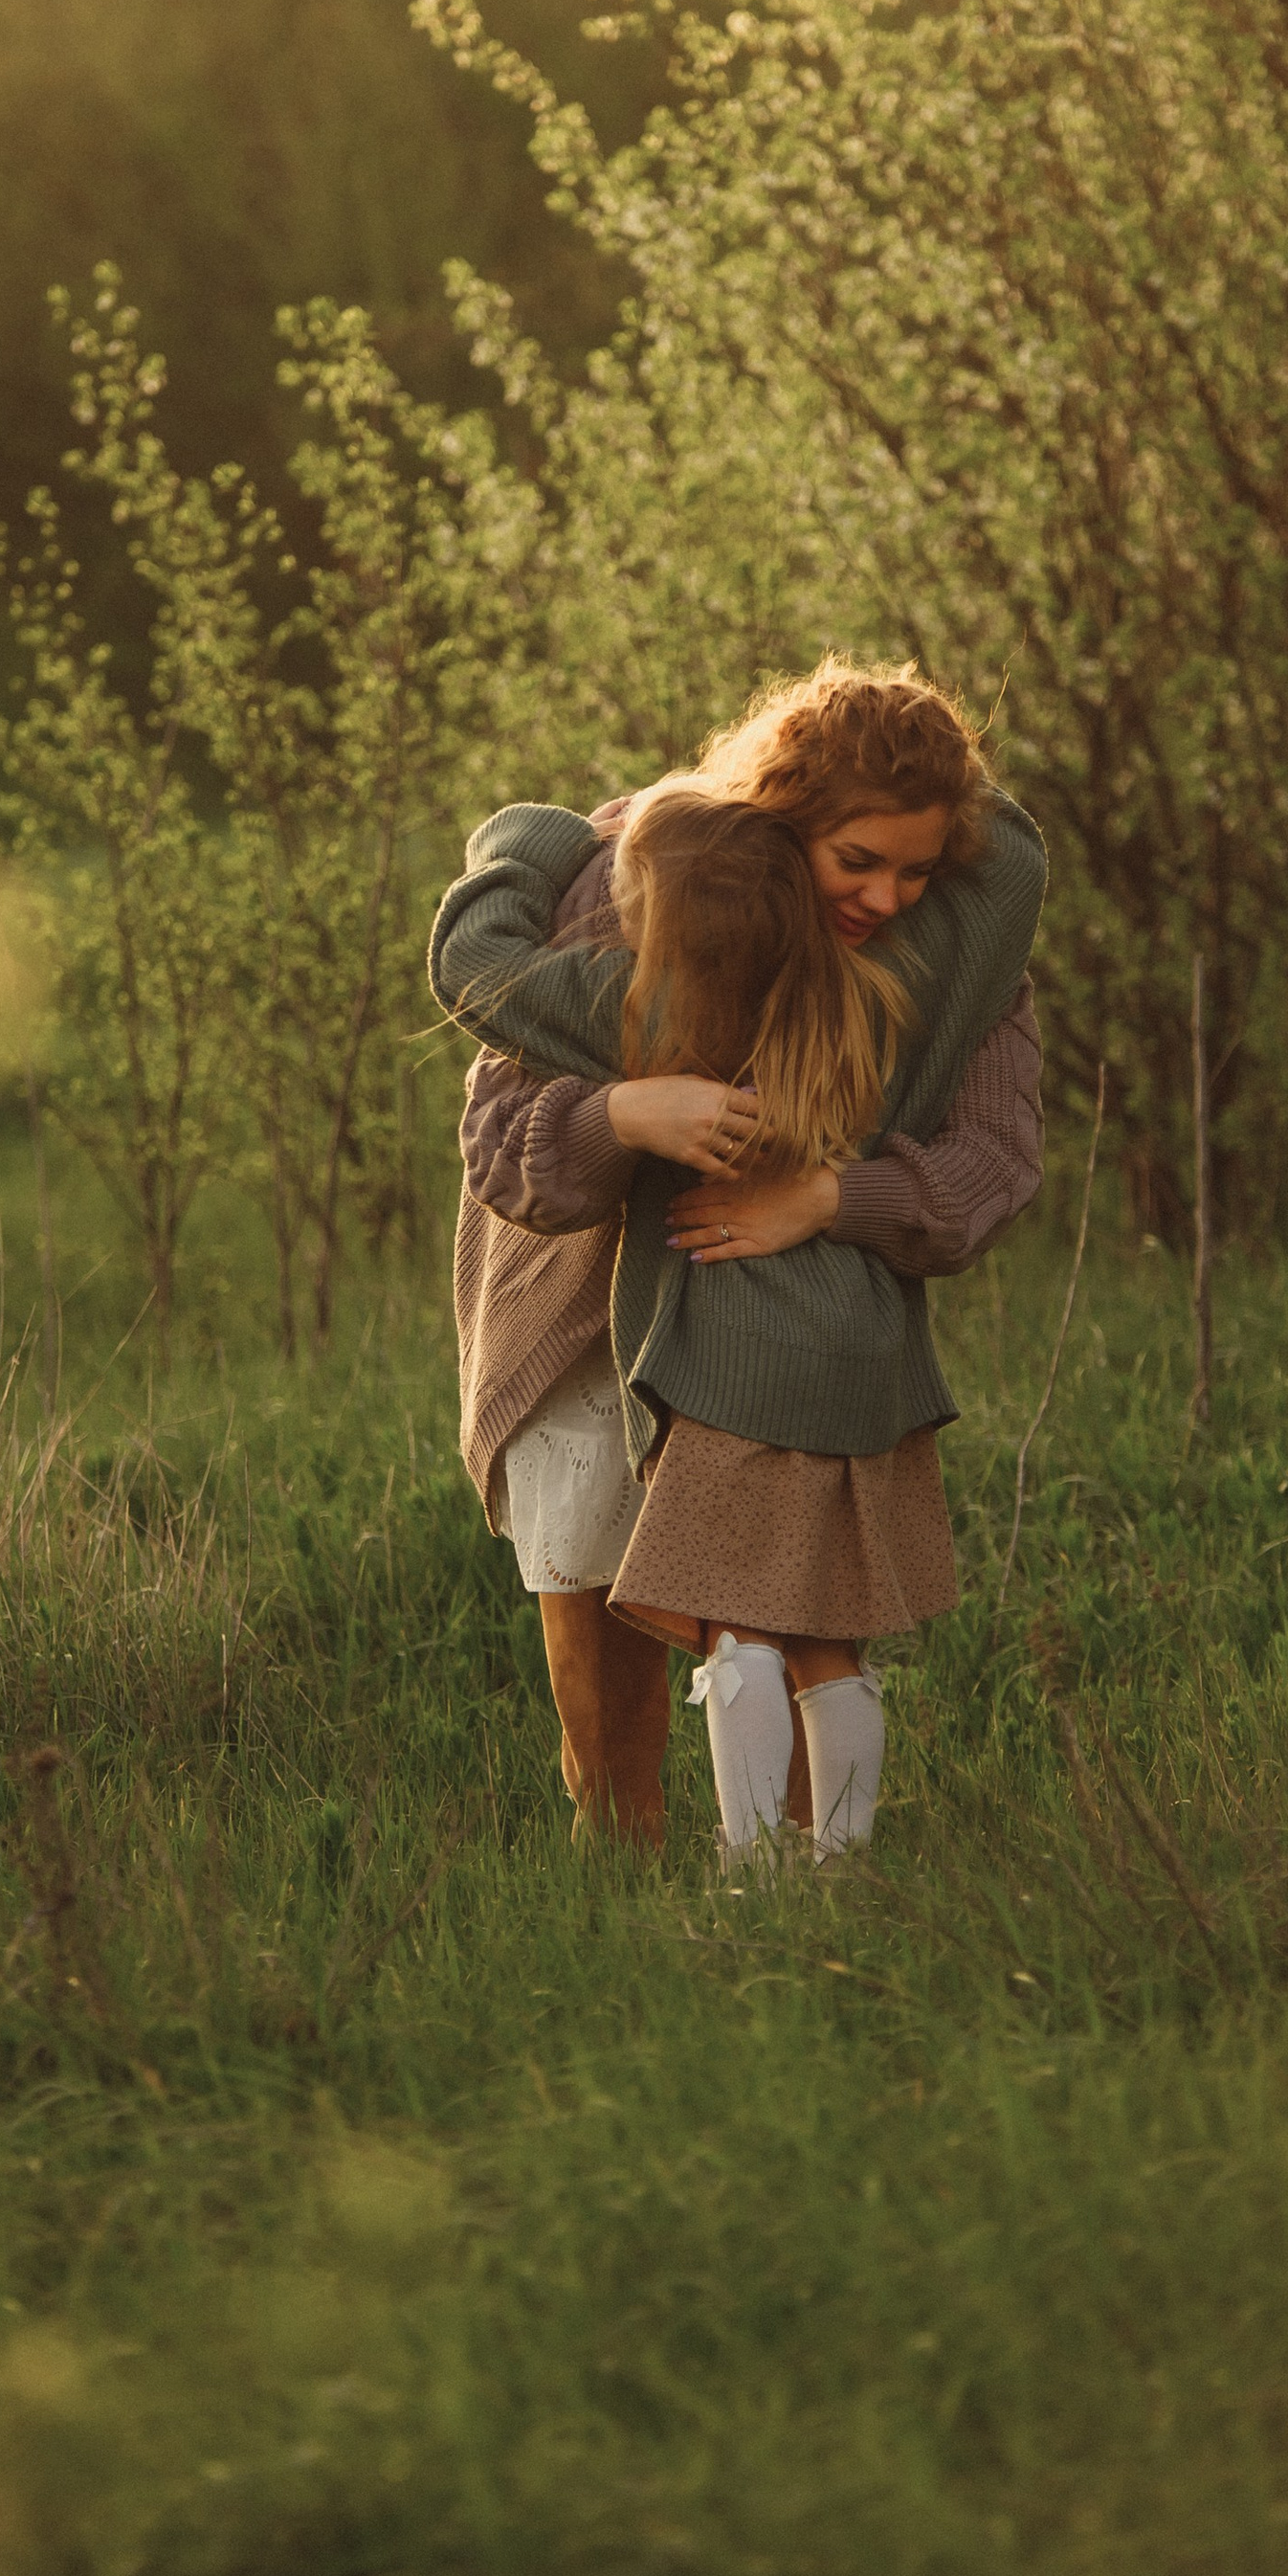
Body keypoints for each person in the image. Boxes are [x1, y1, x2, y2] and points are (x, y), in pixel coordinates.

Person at [437, 657, 1044, 1866]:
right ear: (782, 816)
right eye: (856, 859)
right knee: (603, 1696)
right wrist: (625, 1115)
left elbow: (993, 1160)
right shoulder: (638, 877)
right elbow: (503, 1148)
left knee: (785, 1616)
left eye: (917, 867)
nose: (887, 894)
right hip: (574, 1318)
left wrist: (834, 1194)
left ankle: (804, 1904)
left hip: (765, 1323)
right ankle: (633, 1891)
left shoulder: (946, 960)